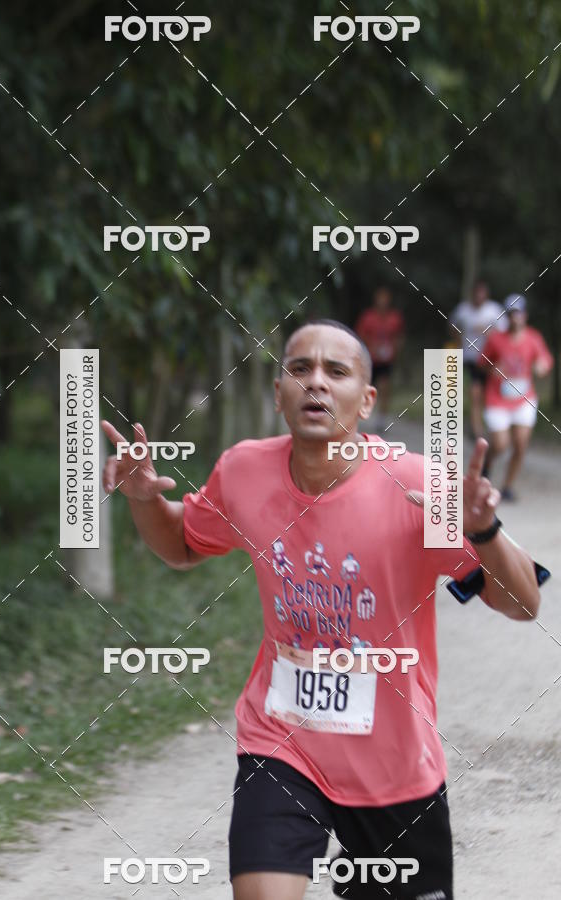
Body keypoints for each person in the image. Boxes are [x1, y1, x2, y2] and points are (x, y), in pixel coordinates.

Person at [102, 320, 542, 900]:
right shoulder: (243, 470)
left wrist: (483, 530)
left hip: (395, 766)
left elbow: (522, 604)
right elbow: (183, 544)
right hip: (281, 743)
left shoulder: (417, 486)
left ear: (366, 400)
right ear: (278, 390)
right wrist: (145, 500)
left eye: (336, 372)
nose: (316, 383)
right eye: (299, 368)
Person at [480, 293, 553, 500]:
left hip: (524, 399)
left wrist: (542, 366)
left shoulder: (533, 338)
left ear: (525, 315)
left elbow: (545, 361)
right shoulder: (495, 339)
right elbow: (482, 364)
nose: (515, 318)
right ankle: (488, 462)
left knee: (521, 443)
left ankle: (508, 486)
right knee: (501, 444)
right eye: (511, 314)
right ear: (507, 316)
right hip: (497, 399)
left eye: (518, 313)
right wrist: (492, 369)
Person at [450, 281, 504, 440]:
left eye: (482, 293)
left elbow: (504, 333)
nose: (479, 296)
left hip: (489, 360)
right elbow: (452, 326)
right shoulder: (463, 310)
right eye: (476, 293)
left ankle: (489, 427)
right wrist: (459, 339)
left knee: (488, 396)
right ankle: (478, 432)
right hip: (470, 358)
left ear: (486, 295)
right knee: (474, 394)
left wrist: (488, 332)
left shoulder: (494, 310)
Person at [353, 286, 404, 426]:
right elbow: (360, 336)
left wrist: (394, 350)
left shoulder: (395, 318)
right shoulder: (368, 317)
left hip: (386, 360)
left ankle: (382, 419)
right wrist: (370, 348)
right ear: (376, 300)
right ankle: (357, 413)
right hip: (370, 359)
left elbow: (399, 337)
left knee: (385, 387)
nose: (383, 302)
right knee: (363, 387)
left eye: (385, 299)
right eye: (380, 299)